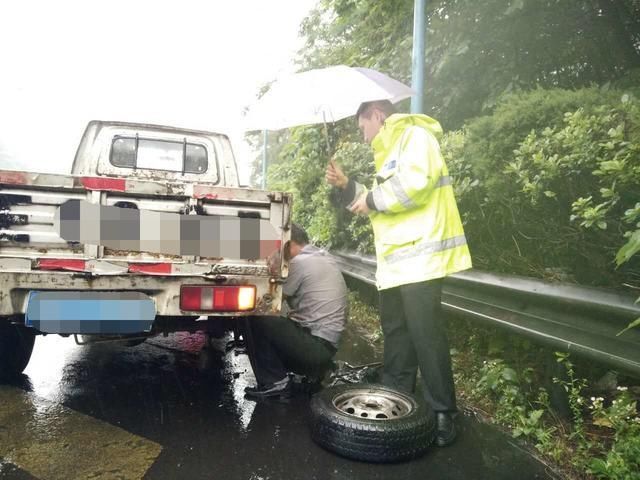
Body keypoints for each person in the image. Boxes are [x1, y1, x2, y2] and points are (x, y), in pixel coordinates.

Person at [325, 100, 472, 446]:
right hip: (395, 265)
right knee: (397, 333)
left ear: (377, 115)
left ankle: (443, 414)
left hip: (421, 259)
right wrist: (347, 184)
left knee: (426, 335)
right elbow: (377, 201)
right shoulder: (388, 152)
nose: (363, 135)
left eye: (363, 127)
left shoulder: (416, 137)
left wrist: (372, 199)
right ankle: (397, 399)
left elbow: (414, 185)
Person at [244, 223, 348, 399]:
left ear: (289, 243)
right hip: (327, 346)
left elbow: (269, 302)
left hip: (315, 348)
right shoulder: (323, 257)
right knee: (274, 321)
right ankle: (316, 370)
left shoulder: (299, 263)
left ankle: (275, 382)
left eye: (278, 247)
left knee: (256, 315)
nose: (276, 252)